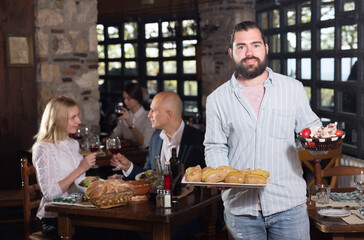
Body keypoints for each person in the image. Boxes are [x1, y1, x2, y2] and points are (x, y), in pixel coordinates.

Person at [204, 21, 322, 240]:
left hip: (288, 205)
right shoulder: (217, 100)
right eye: (241, 46)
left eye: (255, 45)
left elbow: (311, 129)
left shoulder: (292, 89)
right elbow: (215, 145)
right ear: (231, 52)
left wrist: (321, 138)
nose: (249, 52)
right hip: (241, 210)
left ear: (266, 49)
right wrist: (220, 174)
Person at [32, 96, 116, 240]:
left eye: (78, 116)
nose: (79, 121)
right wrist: (81, 168)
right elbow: (50, 194)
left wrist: (105, 182)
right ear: (58, 119)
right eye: (73, 117)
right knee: (105, 234)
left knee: (115, 229)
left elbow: (80, 183)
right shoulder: (43, 148)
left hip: (78, 213)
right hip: (56, 219)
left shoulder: (72, 144)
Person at [111, 91, 206, 180]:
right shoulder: (156, 137)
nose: (149, 115)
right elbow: (149, 175)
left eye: (153, 110)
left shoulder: (200, 139)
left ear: (169, 114)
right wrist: (128, 167)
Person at [110, 82, 154, 148]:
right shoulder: (125, 115)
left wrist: (130, 123)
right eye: (124, 98)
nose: (125, 101)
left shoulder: (148, 117)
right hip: (126, 153)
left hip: (142, 156)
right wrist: (108, 139)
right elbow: (115, 135)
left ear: (137, 98)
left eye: (128, 99)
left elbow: (144, 144)